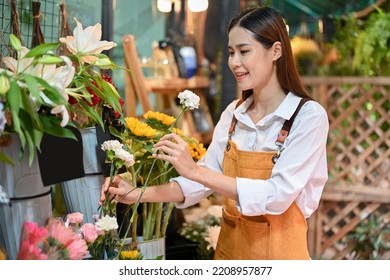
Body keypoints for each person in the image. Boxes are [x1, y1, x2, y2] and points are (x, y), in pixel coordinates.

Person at [101, 6, 329, 260]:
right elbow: (198, 183)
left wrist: (196, 171)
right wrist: (135, 195)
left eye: (244, 51)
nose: (234, 62)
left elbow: (277, 197)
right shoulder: (234, 114)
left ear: (275, 51)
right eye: (231, 52)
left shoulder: (308, 117)